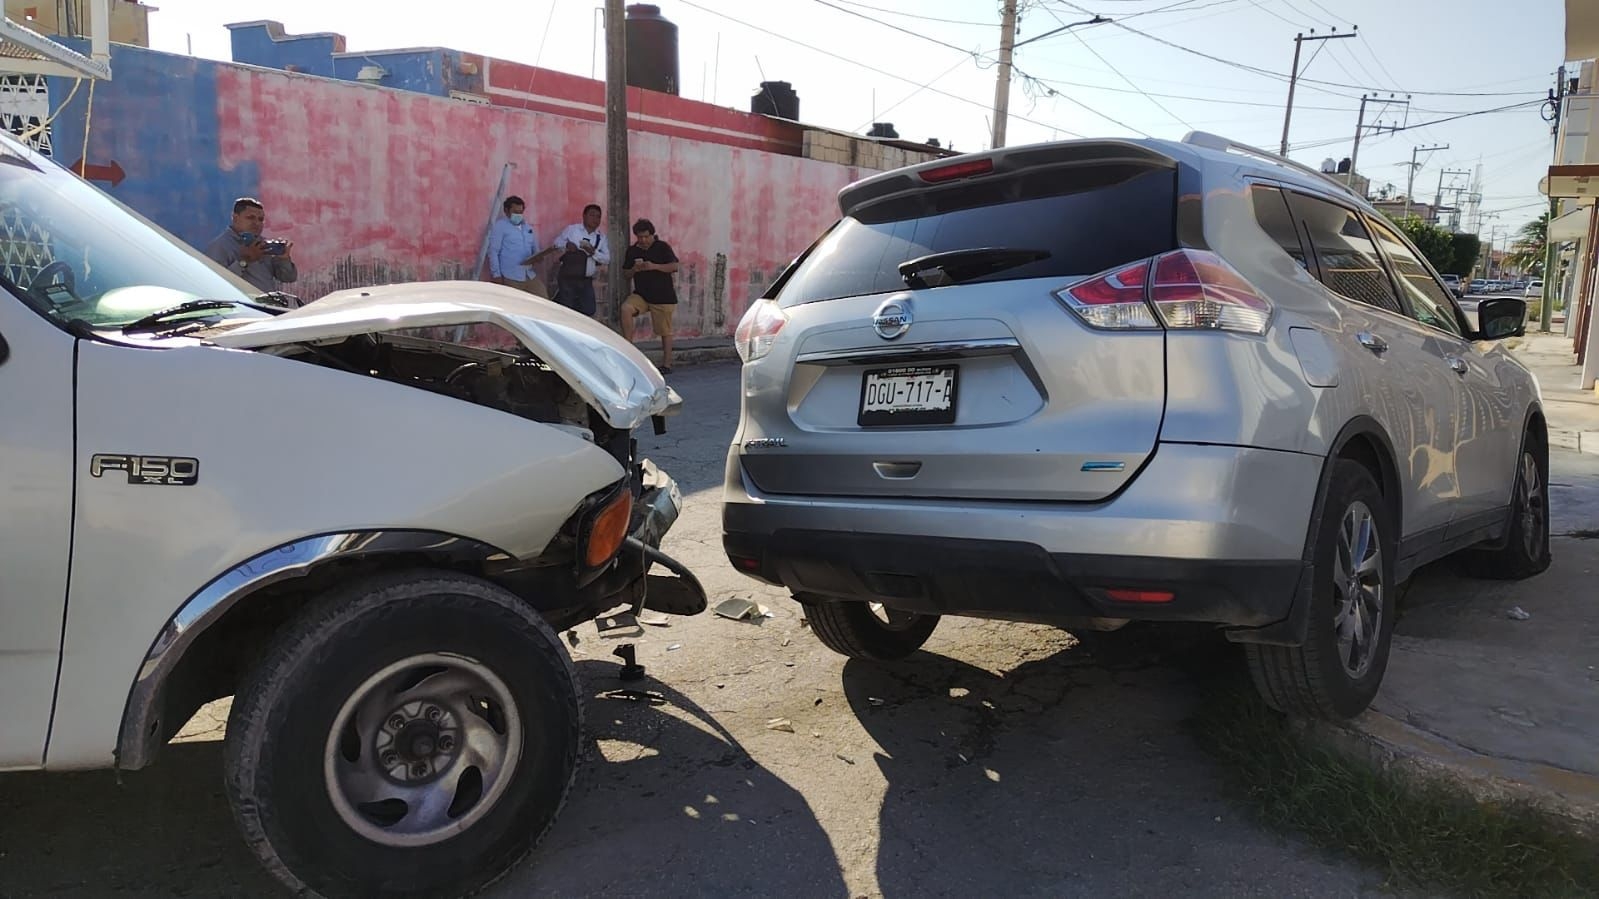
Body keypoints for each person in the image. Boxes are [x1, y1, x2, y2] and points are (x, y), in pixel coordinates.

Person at [203, 197, 299, 298]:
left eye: (260, 219)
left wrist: (284, 259)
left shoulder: (264, 244)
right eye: (250, 218)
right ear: (235, 218)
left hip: (268, 308)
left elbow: (288, 278)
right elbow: (214, 285)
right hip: (240, 310)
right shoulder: (220, 246)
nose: (256, 223)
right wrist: (244, 261)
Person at [620, 218, 681, 372]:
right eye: (640, 237)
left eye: (646, 236)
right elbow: (626, 273)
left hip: (663, 296)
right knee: (626, 309)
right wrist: (634, 269)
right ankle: (628, 351)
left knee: (664, 330)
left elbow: (674, 266)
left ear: (652, 235)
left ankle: (667, 364)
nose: (643, 240)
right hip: (641, 295)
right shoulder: (633, 250)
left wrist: (654, 266)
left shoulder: (662, 247)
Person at [486, 195, 554, 297]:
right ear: (506, 211)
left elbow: (535, 249)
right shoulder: (500, 227)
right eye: (515, 212)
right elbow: (493, 251)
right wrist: (496, 275)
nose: (518, 215)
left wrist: (539, 256)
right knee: (514, 306)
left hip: (528, 274)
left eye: (520, 212)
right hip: (510, 276)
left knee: (543, 298)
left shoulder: (527, 228)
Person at [551, 204, 610, 317]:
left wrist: (593, 252)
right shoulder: (572, 230)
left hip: (586, 279)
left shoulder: (601, 237)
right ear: (584, 216)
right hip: (568, 277)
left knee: (589, 309)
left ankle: (559, 302)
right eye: (592, 215)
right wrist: (566, 244)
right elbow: (556, 243)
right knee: (566, 309)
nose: (595, 219)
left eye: (598, 216)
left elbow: (607, 259)